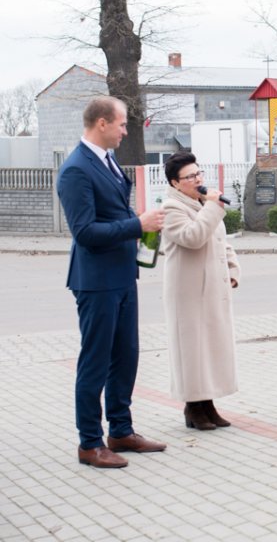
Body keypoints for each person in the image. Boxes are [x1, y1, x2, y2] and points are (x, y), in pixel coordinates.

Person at [57, 96, 167, 469]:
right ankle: (90, 443)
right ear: (101, 123)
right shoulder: (75, 169)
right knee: (96, 361)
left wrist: (139, 229)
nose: (125, 131)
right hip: (96, 281)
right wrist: (138, 225)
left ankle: (120, 430)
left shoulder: (107, 160)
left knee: (126, 357)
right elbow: (85, 231)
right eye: (121, 125)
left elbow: (112, 214)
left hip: (123, 275)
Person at [161, 152, 240, 431]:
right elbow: (192, 237)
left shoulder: (203, 205)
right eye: (190, 176)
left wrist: (232, 269)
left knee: (211, 347)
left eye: (199, 173)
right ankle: (193, 407)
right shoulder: (171, 207)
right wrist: (212, 207)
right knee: (192, 350)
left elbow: (221, 240)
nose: (198, 180)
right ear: (175, 182)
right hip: (188, 292)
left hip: (212, 289)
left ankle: (207, 403)